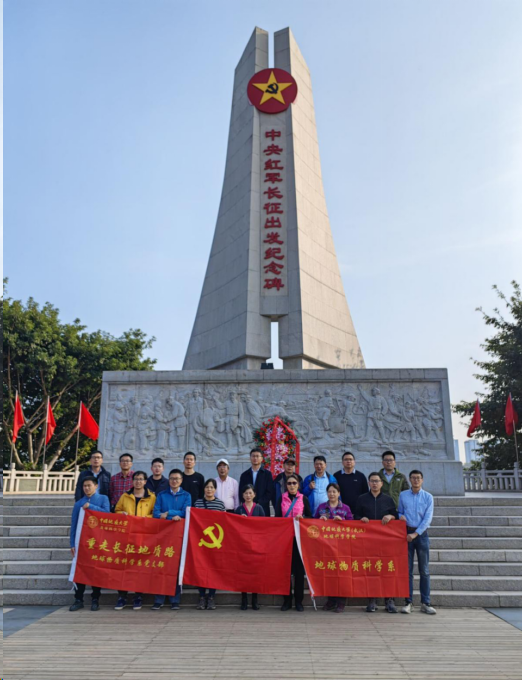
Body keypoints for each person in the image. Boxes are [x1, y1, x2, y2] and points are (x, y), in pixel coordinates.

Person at [355, 472, 398, 613]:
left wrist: (390, 516)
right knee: (371, 569)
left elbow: (396, 516)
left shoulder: (388, 499)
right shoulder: (362, 498)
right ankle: (372, 600)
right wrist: (361, 519)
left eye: (377, 481)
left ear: (381, 483)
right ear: (368, 483)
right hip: (368, 541)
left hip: (385, 541)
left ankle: (389, 600)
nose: (374, 483)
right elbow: (356, 515)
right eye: (372, 481)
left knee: (387, 569)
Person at [114, 471, 156, 611]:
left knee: (140, 567)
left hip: (144, 536)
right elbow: (116, 510)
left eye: (141, 479)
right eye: (136, 479)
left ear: (145, 482)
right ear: (132, 481)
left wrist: (145, 519)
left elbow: (155, 514)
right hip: (126, 536)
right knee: (124, 567)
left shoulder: (152, 497)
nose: (138, 481)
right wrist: (122, 514)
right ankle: (122, 596)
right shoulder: (125, 496)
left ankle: (138, 596)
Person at [151, 469, 191, 611]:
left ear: (181, 480)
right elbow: (156, 513)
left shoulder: (186, 495)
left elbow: (186, 512)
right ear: (169, 480)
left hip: (178, 535)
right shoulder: (161, 495)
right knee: (160, 566)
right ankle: (159, 599)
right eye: (172, 478)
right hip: (163, 535)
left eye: (177, 478)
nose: (174, 481)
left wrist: (168, 513)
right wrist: (172, 516)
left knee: (176, 567)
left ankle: (175, 600)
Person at [69, 476, 110, 611]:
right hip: (82, 543)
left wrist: (91, 507)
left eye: (89, 485)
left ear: (96, 486)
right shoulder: (78, 503)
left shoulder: (103, 498)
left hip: (98, 541)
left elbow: (107, 514)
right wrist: (72, 544)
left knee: (95, 571)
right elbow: (74, 524)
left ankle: (95, 599)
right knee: (80, 570)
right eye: (84, 486)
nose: (87, 488)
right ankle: (78, 599)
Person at [398, 470, 436, 615]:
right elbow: (400, 511)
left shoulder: (428, 497)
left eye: (418, 478)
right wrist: (400, 516)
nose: (416, 480)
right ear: (409, 479)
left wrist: (415, 534)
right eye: (413, 478)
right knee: (407, 571)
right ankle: (408, 602)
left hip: (421, 535)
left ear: (422, 480)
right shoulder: (403, 495)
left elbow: (428, 519)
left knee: (424, 570)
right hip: (406, 534)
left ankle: (426, 602)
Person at [275, 474, 312, 612]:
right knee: (285, 571)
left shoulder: (303, 498)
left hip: (299, 540)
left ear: (298, 485)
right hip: (284, 540)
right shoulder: (281, 499)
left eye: (294, 483)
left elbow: (310, 517)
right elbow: (277, 518)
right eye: (289, 483)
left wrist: (303, 518)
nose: (291, 485)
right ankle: (286, 600)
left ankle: (298, 601)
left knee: (298, 572)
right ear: (286, 485)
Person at [314, 483, 353, 613]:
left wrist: (343, 521)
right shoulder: (321, 507)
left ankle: (341, 601)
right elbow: (312, 524)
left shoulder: (345, 508)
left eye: (334, 492)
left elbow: (353, 526)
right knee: (329, 572)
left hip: (342, 546)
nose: (331, 494)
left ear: (339, 493)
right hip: (325, 545)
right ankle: (331, 600)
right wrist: (319, 521)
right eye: (329, 492)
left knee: (342, 573)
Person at [194, 479, 226, 610]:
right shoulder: (198, 503)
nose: (209, 489)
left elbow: (224, 522)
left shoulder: (220, 504)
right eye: (207, 487)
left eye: (212, 487)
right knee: (200, 569)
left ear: (215, 490)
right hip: (200, 543)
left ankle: (211, 597)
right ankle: (202, 597)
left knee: (214, 569)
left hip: (215, 544)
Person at [235, 484, 265, 610]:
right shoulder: (238, 509)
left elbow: (264, 526)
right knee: (243, 573)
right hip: (243, 545)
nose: (248, 495)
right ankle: (244, 599)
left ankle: (254, 600)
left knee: (255, 573)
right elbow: (234, 527)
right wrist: (239, 520)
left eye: (250, 493)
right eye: (246, 493)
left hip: (256, 545)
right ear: (242, 495)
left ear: (254, 495)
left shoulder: (259, 508)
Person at [239, 448, 275, 517]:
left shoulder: (267, 474)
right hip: (247, 508)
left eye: (257, 456)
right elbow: (241, 492)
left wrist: (258, 503)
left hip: (263, 508)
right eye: (253, 456)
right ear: (250, 458)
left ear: (262, 459)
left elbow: (270, 492)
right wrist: (248, 503)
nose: (255, 458)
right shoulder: (244, 475)